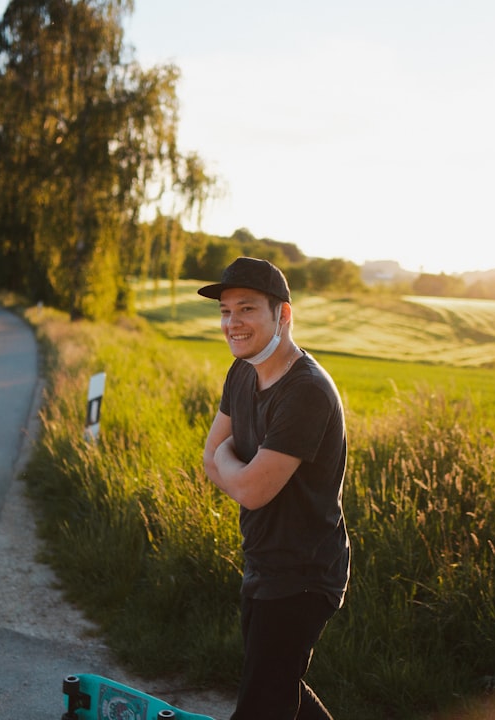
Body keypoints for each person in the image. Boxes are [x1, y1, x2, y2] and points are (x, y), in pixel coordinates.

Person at [199, 257, 351, 720]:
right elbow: (210, 458)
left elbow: (251, 490)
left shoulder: (306, 391)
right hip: (262, 560)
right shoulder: (241, 372)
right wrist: (230, 466)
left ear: (282, 315)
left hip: (304, 576)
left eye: (246, 309)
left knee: (261, 703)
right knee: (281, 686)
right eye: (225, 311)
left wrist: (229, 464)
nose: (232, 323)